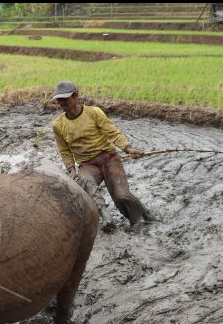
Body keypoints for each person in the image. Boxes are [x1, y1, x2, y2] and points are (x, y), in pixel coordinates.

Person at [50, 80, 156, 230]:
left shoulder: (94, 113)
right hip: (87, 165)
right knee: (86, 182)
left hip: (109, 158)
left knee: (122, 196)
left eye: (65, 98)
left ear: (76, 96)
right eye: (59, 100)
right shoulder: (58, 124)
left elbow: (112, 132)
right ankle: (106, 217)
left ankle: (144, 214)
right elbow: (64, 150)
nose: (62, 103)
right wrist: (71, 170)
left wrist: (127, 148)